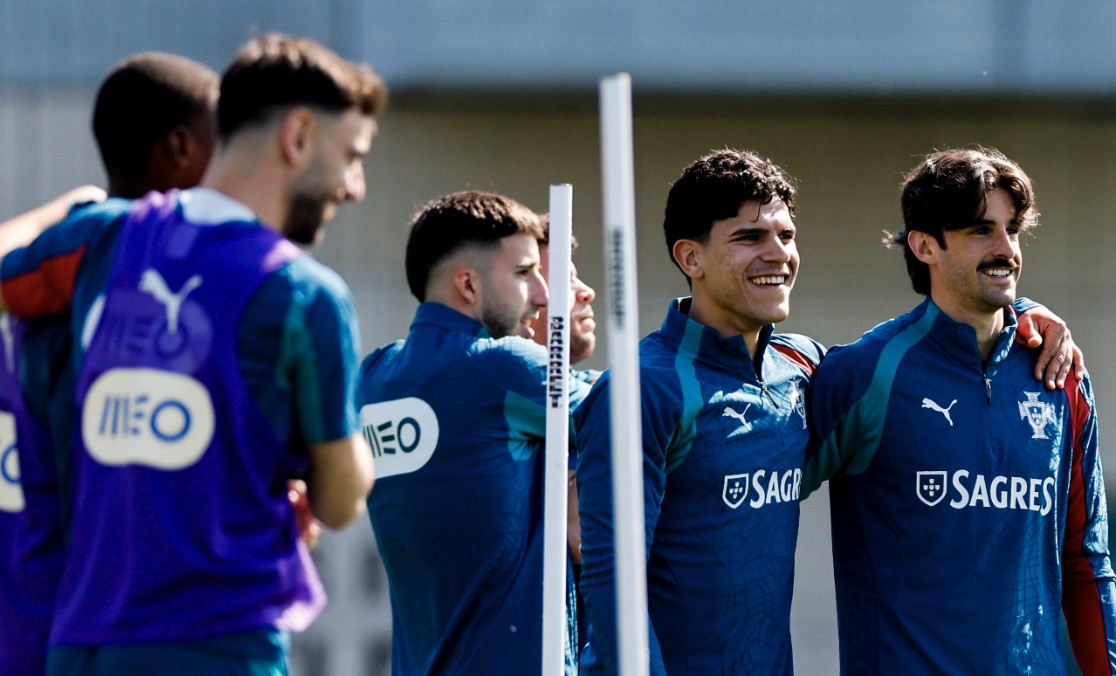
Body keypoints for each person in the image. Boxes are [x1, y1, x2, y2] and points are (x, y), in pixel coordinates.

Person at [573, 148, 1084, 675]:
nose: (778, 254)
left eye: (786, 236)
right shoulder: (645, 390)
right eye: (749, 238)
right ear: (690, 258)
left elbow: (937, 342)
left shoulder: (802, 368)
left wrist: (1018, 309)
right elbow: (612, 577)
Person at [0, 34, 385, 675]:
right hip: (219, 644)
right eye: (351, 155)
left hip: (82, 646)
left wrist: (72, 208)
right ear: (296, 137)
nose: (356, 185)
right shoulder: (304, 295)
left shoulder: (104, 237)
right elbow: (341, 502)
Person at [802, 147, 1116, 674]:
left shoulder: (1060, 375)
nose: (1006, 249)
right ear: (924, 245)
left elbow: (1087, 563)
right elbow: (752, 504)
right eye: (979, 231)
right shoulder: (864, 374)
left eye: (1012, 229)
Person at [0, 51, 219, 676]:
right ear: (178, 150)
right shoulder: (138, 265)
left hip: (43, 628)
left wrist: (65, 211)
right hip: (126, 628)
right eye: (223, 142)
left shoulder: (42, 298)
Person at [356, 190, 592, 674]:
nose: (544, 295)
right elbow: (641, 414)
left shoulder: (373, 377)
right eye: (526, 274)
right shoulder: (504, 367)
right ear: (468, 284)